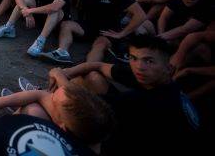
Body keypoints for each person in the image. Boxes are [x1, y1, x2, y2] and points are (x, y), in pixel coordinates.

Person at [57, 35, 201, 155]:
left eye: (148, 61)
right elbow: (97, 65)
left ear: (169, 68)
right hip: (140, 131)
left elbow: (77, 103)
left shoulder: (148, 100)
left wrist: (57, 75)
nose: (139, 66)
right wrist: (67, 72)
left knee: (58, 109)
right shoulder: (158, 79)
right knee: (91, 77)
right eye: (133, 58)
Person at [0, 81, 114, 155]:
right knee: (34, 108)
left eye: (53, 101)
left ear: (62, 128)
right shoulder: (94, 135)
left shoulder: (22, 127)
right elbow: (40, 95)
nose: (47, 97)